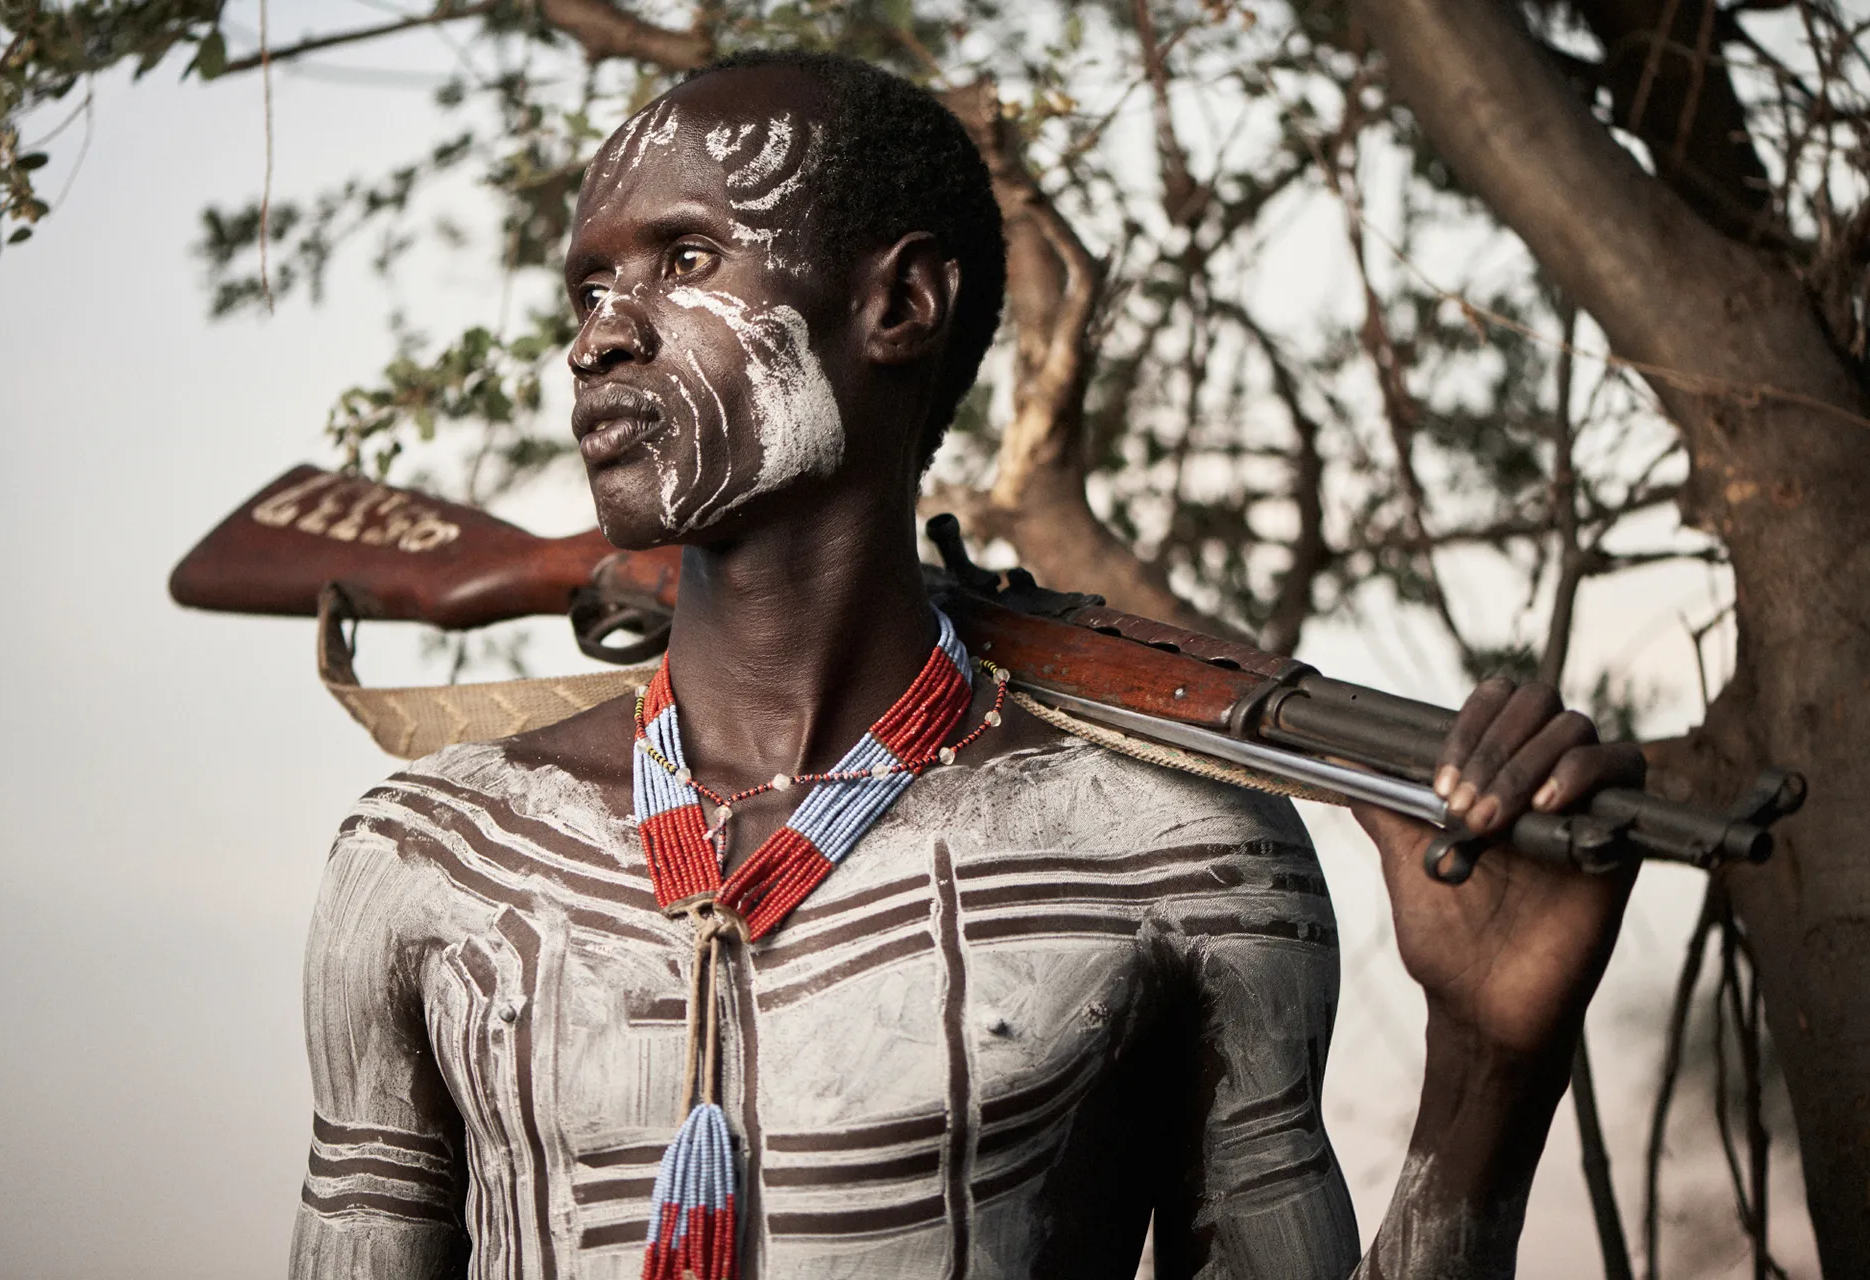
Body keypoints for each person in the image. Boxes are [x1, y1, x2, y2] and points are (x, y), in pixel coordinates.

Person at [289, 50, 1644, 1280]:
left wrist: (1492, 1068)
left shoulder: (1180, 848)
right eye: (589, 288)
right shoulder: (430, 859)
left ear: (901, 304)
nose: (597, 337)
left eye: (686, 260)